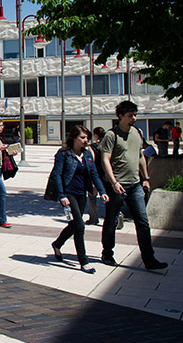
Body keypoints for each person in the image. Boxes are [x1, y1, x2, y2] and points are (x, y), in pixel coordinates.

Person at [100, 100, 168, 270]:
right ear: (121, 116)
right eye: (131, 115)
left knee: (143, 221)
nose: (134, 118)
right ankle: (107, 253)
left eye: (135, 115)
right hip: (117, 186)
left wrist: (146, 177)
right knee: (111, 220)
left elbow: (140, 156)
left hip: (135, 184)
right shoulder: (111, 135)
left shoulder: (136, 132)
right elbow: (105, 160)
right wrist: (113, 182)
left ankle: (149, 259)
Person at [50, 126, 109, 273]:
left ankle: (57, 244)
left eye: (87, 137)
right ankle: (83, 261)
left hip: (81, 193)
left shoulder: (87, 154)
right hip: (68, 192)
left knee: (74, 224)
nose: (86, 140)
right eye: (82, 137)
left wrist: (102, 191)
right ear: (74, 138)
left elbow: (94, 174)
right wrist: (62, 195)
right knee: (80, 226)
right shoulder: (64, 154)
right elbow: (57, 175)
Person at [86, 127, 107, 225]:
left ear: (95, 135)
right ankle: (116, 215)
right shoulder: (108, 145)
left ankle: (93, 218)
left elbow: (91, 162)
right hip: (107, 175)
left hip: (96, 175)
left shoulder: (93, 147)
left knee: (92, 197)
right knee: (108, 196)